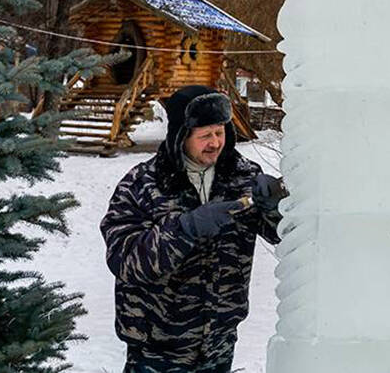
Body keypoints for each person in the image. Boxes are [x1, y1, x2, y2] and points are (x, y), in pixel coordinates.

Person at [100, 85, 286, 372]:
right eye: (204, 135)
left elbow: (282, 235)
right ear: (180, 135)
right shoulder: (141, 184)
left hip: (219, 343)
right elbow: (124, 261)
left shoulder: (244, 177)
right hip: (156, 349)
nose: (215, 142)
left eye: (220, 132)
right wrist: (185, 229)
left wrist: (276, 206)